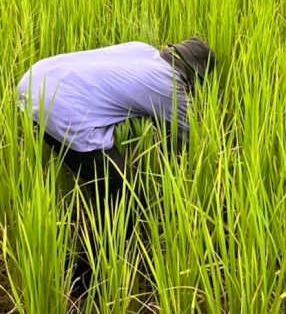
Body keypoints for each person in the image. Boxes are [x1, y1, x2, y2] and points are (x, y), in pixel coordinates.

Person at [17, 37, 216, 297]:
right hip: (64, 110)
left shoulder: (143, 49)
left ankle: (89, 260)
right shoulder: (170, 86)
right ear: (193, 76)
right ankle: (88, 280)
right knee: (125, 200)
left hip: (34, 81)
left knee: (105, 186)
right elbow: (188, 143)